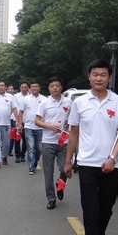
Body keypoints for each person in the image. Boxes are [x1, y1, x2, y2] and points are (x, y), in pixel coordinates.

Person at [64, 60, 118, 235]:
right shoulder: (80, 103)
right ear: (89, 76)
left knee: (106, 209)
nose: (98, 78)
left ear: (109, 78)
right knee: (90, 212)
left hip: (111, 165)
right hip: (87, 165)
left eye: (103, 75)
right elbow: (74, 133)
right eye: (95, 74)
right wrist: (68, 161)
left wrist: (112, 158)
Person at [36, 76, 73, 210]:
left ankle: (60, 184)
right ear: (49, 88)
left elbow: (73, 119)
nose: (55, 88)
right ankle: (51, 198)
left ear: (61, 87)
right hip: (48, 141)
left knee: (65, 169)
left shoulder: (69, 102)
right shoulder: (44, 103)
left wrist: (68, 123)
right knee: (48, 171)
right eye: (52, 86)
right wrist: (49, 126)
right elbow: (37, 121)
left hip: (64, 141)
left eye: (57, 85)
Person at [18, 81, 44, 175]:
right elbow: (21, 112)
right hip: (28, 127)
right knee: (31, 147)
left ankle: (35, 161)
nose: (34, 88)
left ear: (39, 88)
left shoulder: (45, 99)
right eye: (32, 87)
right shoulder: (26, 99)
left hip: (41, 127)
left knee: (39, 148)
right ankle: (31, 166)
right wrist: (19, 123)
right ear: (30, 89)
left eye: (36, 87)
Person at [10, 81, 29, 163]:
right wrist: (16, 120)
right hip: (17, 120)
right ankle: (17, 155)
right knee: (17, 139)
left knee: (26, 139)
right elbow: (14, 108)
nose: (24, 89)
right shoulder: (16, 96)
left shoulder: (30, 97)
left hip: (27, 121)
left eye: (25, 87)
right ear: (20, 88)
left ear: (28, 88)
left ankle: (22, 154)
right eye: (22, 87)